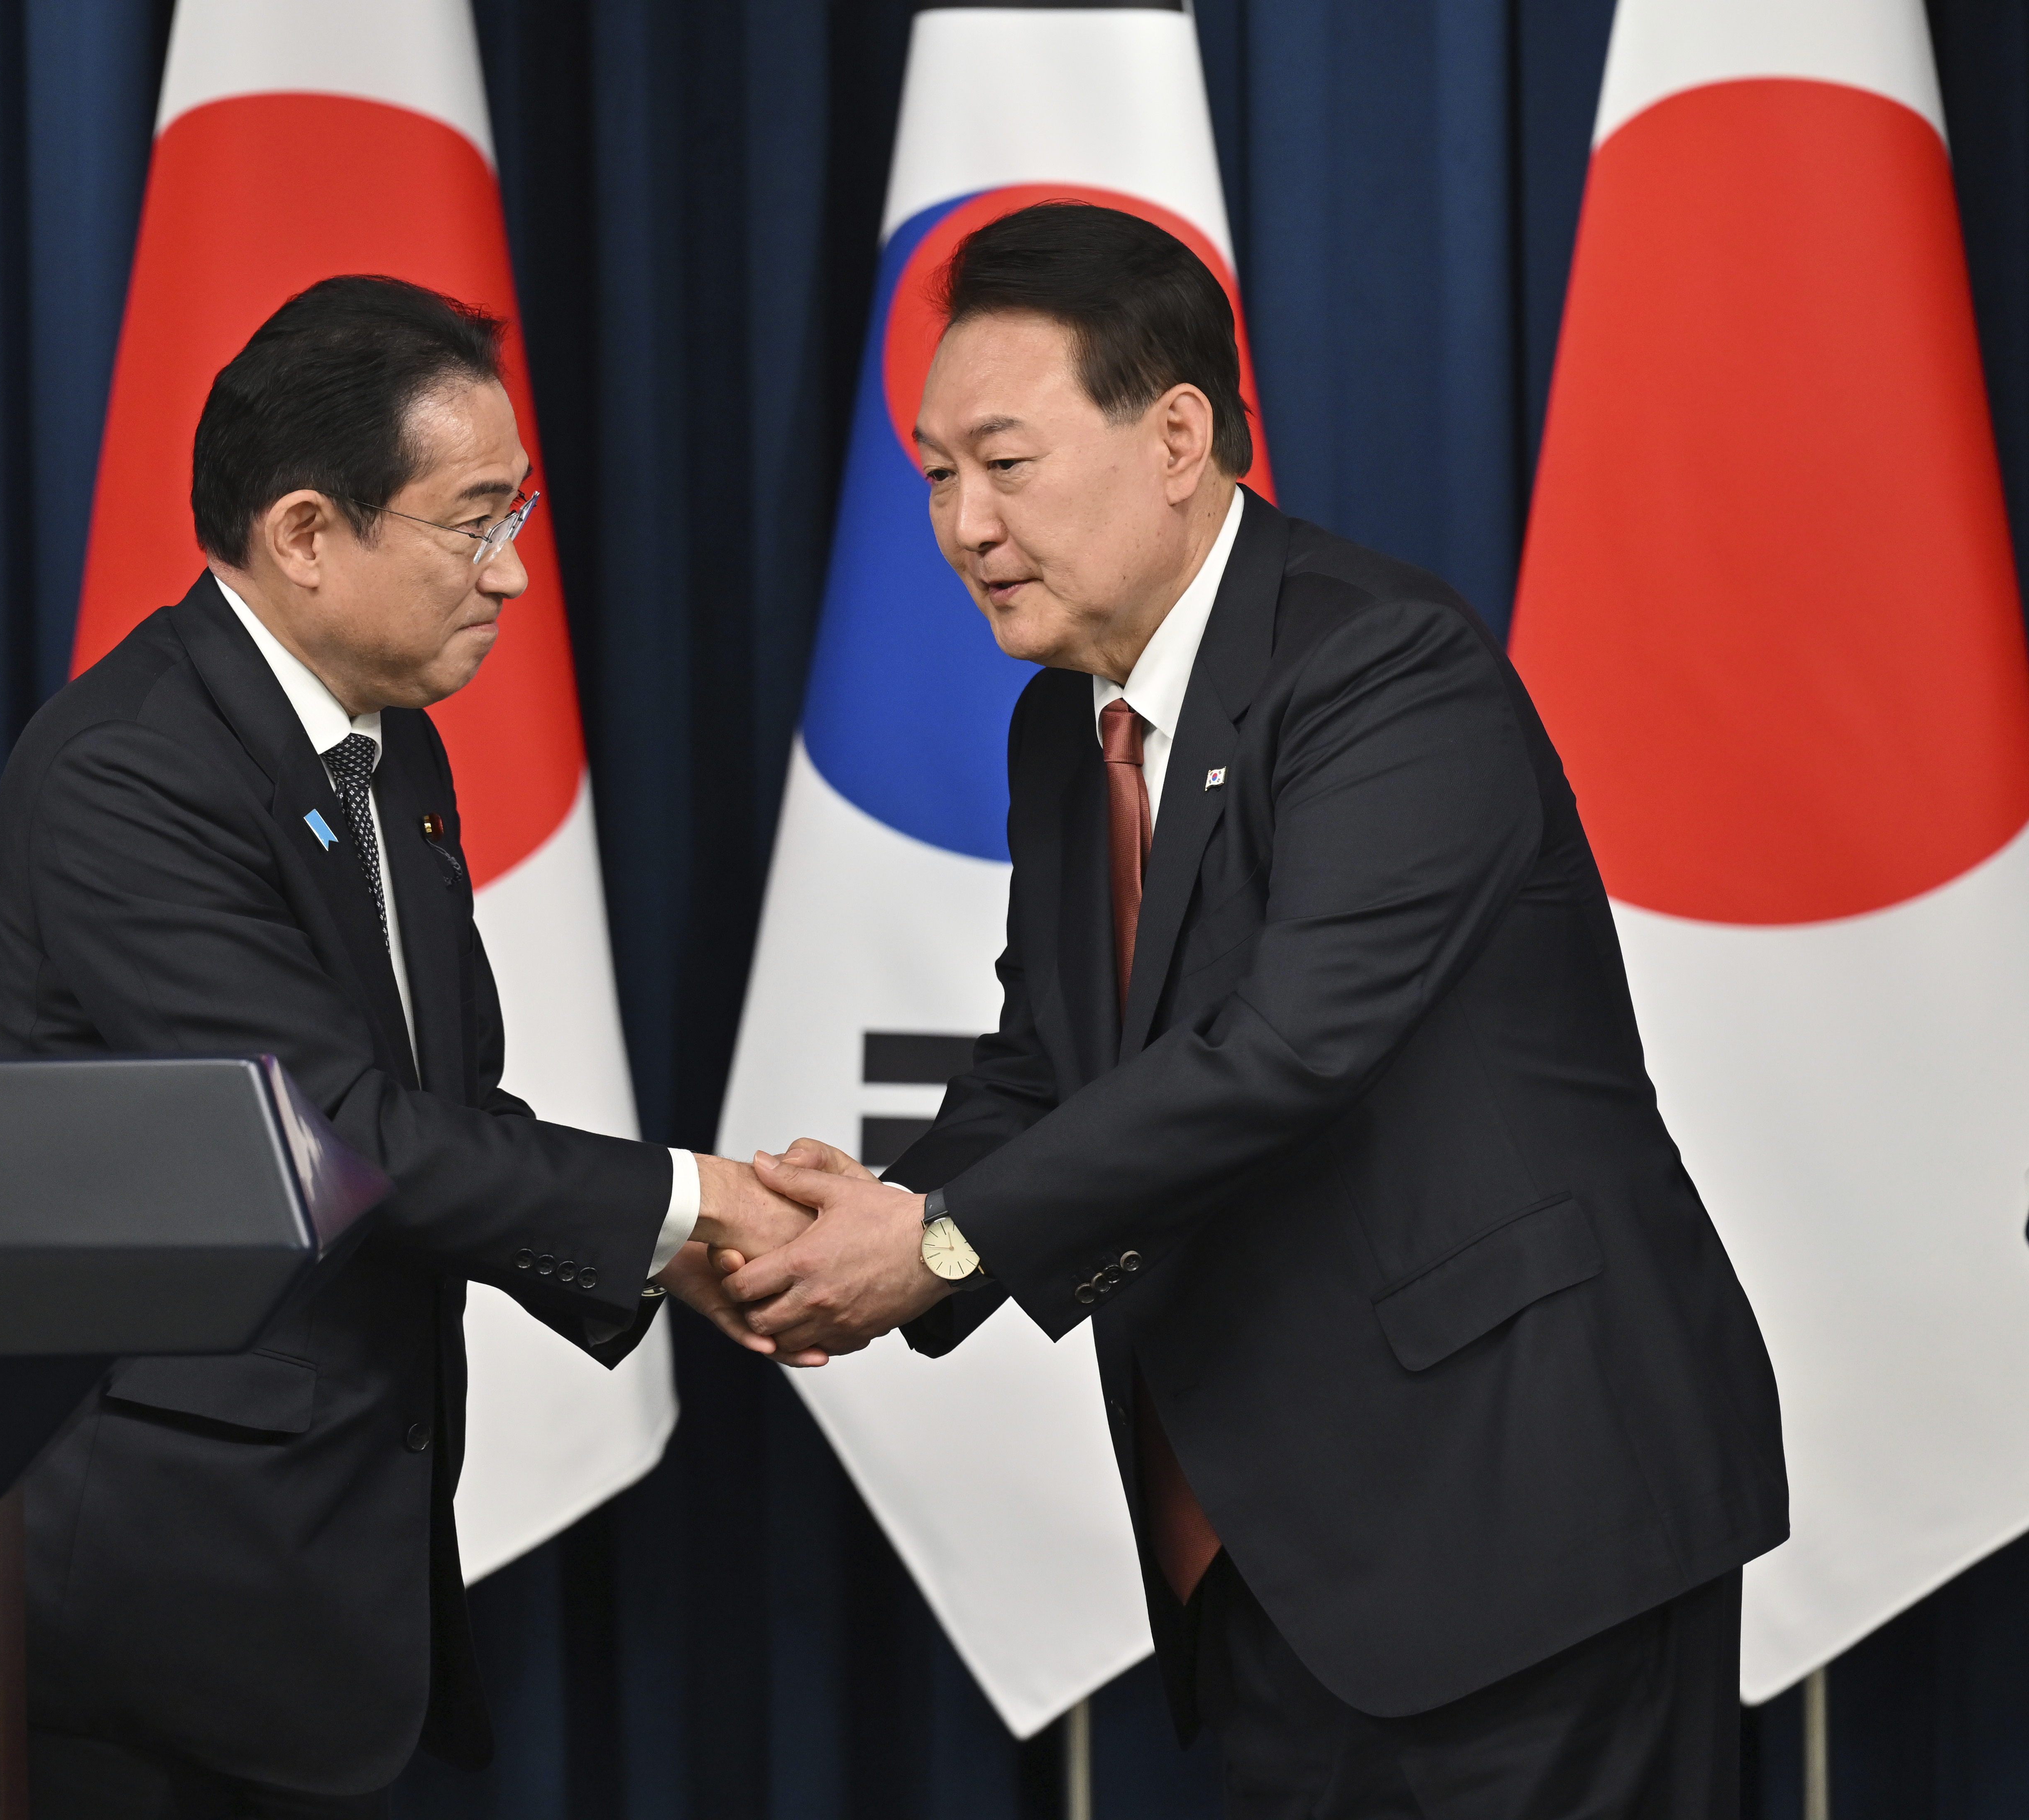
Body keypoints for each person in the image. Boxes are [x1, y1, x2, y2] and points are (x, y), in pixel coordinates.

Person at [725, 203, 1787, 1818]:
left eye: (1004, 464)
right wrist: (855, 1236)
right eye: (935, 475)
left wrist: (937, 1244)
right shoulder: (1059, 732)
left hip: (1525, 1521)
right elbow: (1047, 1061)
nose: (962, 525)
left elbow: (1285, 1053)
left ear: (1176, 438)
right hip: (1278, 1556)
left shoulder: (1383, 668)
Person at [0, 275, 800, 1818]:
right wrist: (690, 1198)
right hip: (159, 1611)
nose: (516, 573)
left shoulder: (383, 745)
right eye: (476, 522)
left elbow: (443, 1106)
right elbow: (338, 1140)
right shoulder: (129, 775)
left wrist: (669, 1247)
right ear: (305, 534)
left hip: (323, 1581)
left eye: (517, 513)